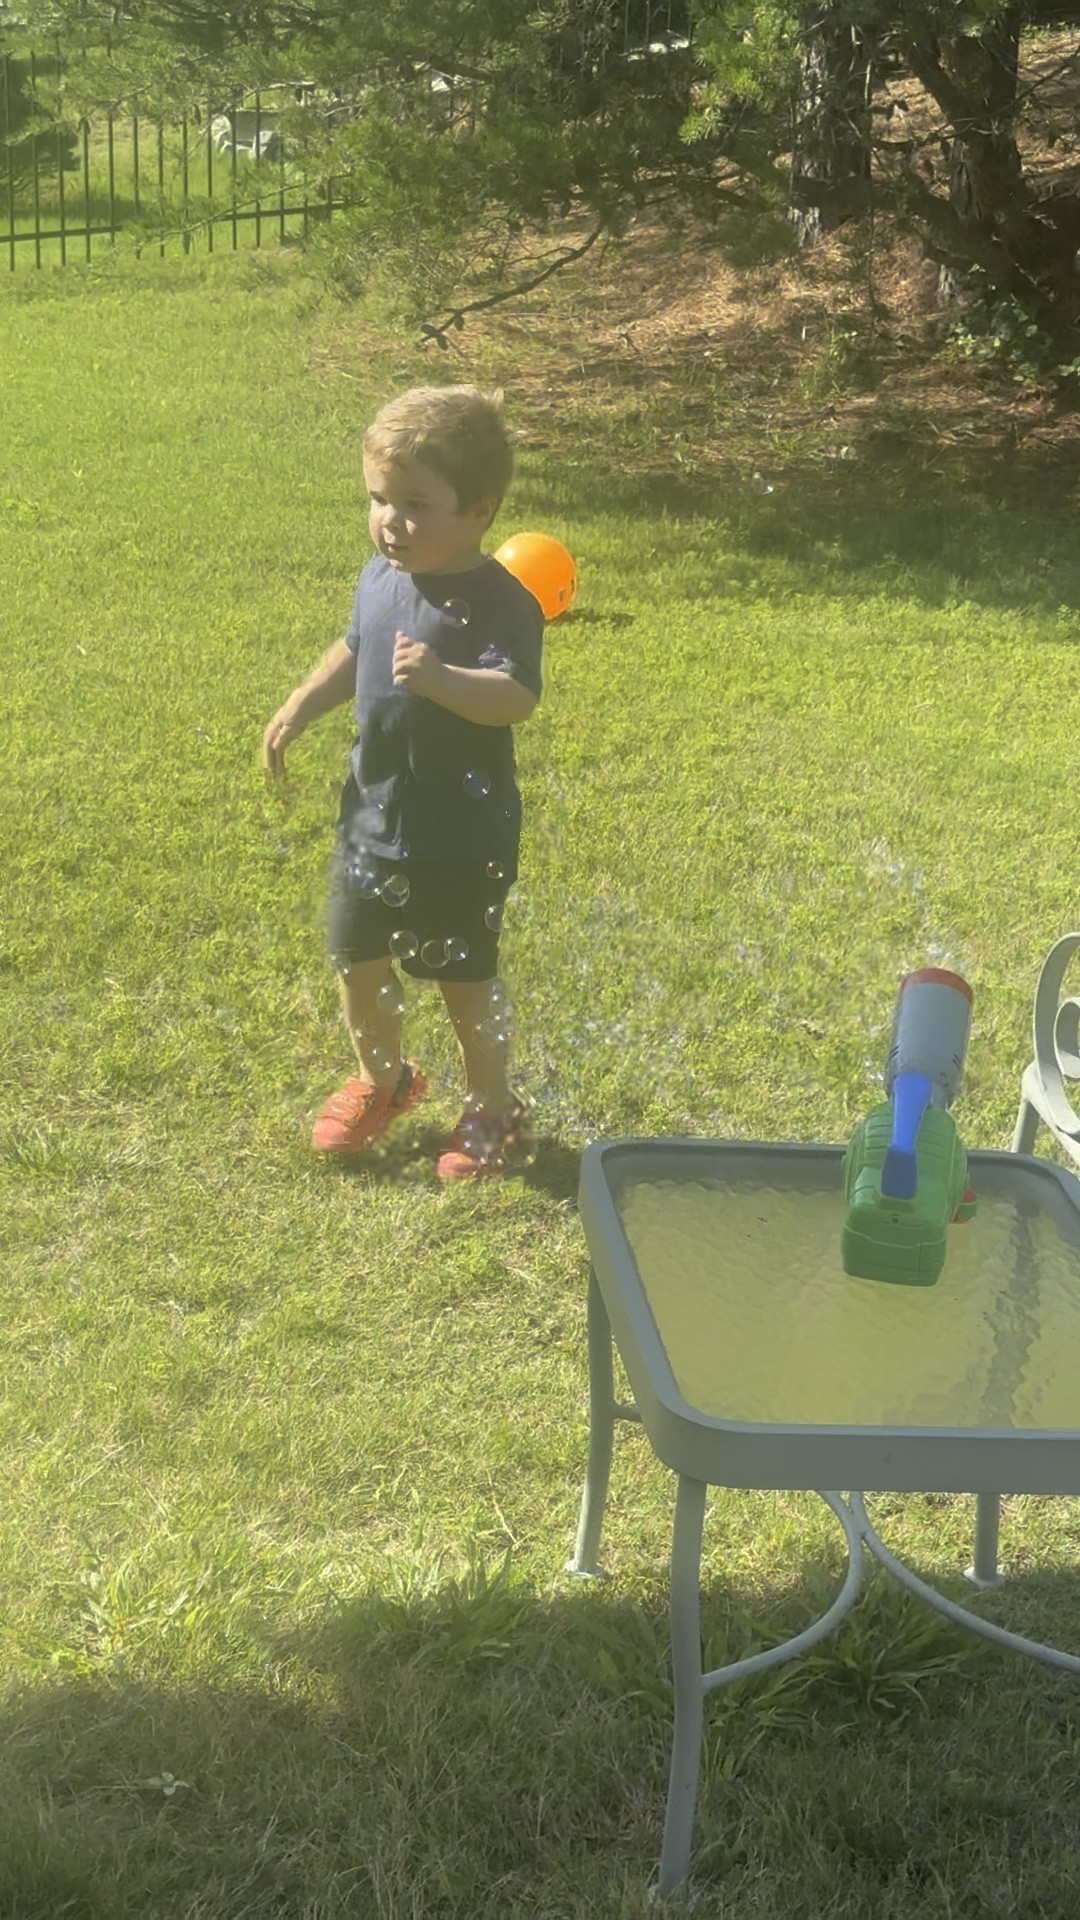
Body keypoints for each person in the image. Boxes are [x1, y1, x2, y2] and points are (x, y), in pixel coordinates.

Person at [262, 385, 544, 1180]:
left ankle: (493, 1108)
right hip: (372, 818)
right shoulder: (378, 580)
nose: (391, 520)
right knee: (357, 960)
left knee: (463, 977)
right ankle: (385, 1080)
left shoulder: (501, 601)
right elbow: (356, 651)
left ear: (480, 509)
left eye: (416, 504)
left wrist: (443, 677)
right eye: (379, 499)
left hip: (459, 830)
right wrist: (301, 704)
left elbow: (516, 696)